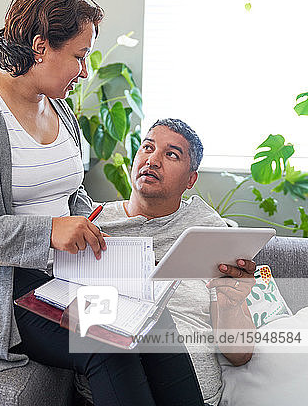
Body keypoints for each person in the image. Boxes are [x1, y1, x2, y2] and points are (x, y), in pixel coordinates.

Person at [0, 0, 205, 406]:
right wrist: (47, 233)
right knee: (107, 347)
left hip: (68, 274)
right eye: (79, 56)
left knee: (156, 326)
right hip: (1, 289)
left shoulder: (59, 108)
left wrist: (96, 227)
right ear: (39, 47)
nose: (85, 71)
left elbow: (70, 194)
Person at [76, 118, 256, 406]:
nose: (153, 160)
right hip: (111, 388)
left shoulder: (209, 230)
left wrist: (231, 302)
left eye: (171, 154)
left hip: (196, 394)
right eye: (147, 148)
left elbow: (239, 353)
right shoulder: (92, 224)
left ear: (190, 180)